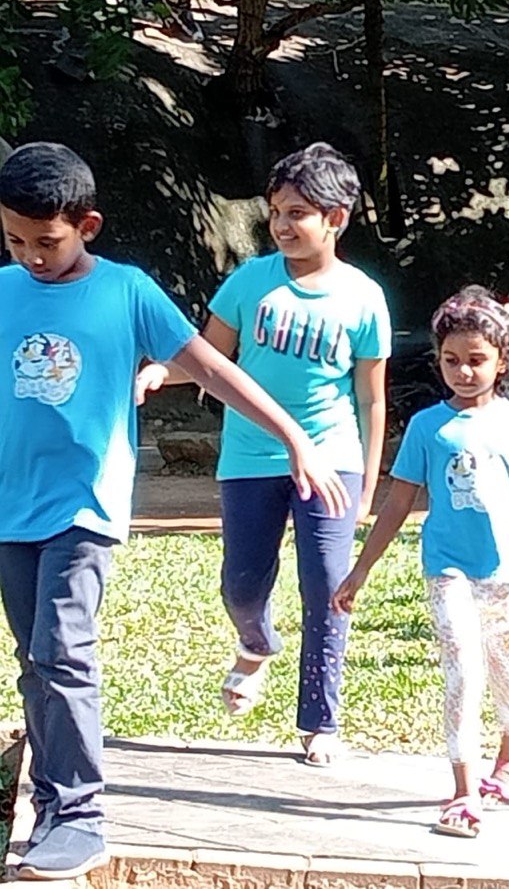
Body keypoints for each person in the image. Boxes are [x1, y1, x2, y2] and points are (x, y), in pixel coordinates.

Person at [0, 142, 349, 879]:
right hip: (11, 509)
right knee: (35, 659)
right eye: (15, 240)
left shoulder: (127, 291)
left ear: (87, 224)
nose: (31, 255)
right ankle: (49, 794)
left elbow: (215, 368)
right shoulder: (4, 290)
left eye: (47, 241)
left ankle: (80, 812)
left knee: (62, 648)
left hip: (83, 508)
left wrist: (293, 434)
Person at [136, 142, 391, 767]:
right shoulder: (250, 282)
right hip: (250, 457)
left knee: (327, 586)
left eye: (297, 212)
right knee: (242, 586)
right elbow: (207, 357)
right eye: (275, 211)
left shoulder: (363, 298)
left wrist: (365, 491)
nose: (281, 225)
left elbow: (372, 400)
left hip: (332, 459)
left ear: (337, 217)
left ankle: (320, 720)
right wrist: (153, 374)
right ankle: (255, 643)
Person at [332, 286, 509, 839]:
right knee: (462, 671)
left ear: (503, 360)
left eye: (477, 361)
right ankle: (463, 792)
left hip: (507, 572)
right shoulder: (427, 427)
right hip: (447, 569)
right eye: (451, 360)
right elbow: (398, 502)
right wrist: (360, 570)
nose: (463, 372)